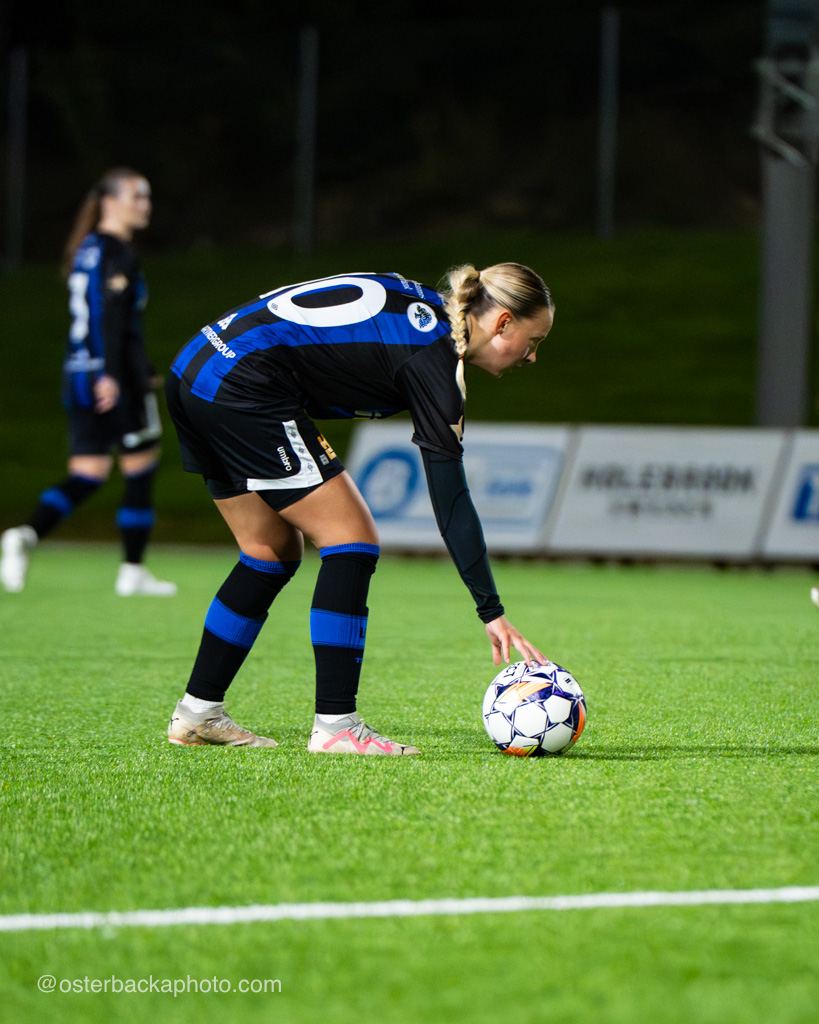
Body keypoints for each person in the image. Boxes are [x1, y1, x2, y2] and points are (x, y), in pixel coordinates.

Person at [165, 263, 554, 755]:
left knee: (270, 552)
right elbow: (451, 499)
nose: (533, 356)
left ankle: (198, 713)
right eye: (533, 340)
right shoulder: (433, 360)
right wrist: (491, 610)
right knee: (352, 539)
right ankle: (337, 727)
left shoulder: (424, 312)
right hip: (243, 385)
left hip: (194, 368)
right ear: (502, 322)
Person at [1, 167, 176, 597]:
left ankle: (25, 535)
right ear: (110, 202)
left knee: (88, 473)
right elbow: (110, 317)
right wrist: (114, 374)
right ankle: (132, 570)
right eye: (137, 197)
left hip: (77, 373)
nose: (146, 206)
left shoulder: (87, 248)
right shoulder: (116, 251)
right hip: (112, 378)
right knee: (141, 466)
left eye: (147, 197)